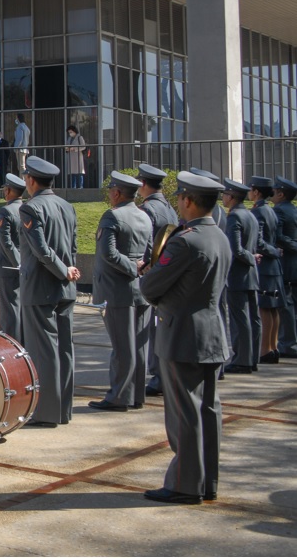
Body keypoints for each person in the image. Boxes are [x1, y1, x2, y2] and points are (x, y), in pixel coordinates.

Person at [139, 171, 229, 505]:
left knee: (184, 414)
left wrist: (150, 275)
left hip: (182, 333)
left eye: (180, 197)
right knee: (208, 410)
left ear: (188, 200)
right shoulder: (218, 235)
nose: (178, 202)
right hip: (210, 332)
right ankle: (206, 481)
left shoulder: (186, 240)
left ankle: (184, 484)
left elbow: (150, 287)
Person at [18, 156, 81, 428]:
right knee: (64, 350)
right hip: (65, 287)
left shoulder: (31, 208)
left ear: (31, 180)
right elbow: (73, 246)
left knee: (44, 351)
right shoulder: (67, 206)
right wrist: (69, 270)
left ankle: (46, 412)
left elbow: (41, 249)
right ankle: (63, 409)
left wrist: (62, 270)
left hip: (41, 287)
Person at [88, 172, 151, 412]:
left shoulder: (112, 216)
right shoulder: (144, 216)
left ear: (116, 193)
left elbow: (109, 253)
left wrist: (131, 268)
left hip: (118, 289)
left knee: (123, 347)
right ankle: (136, 395)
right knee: (138, 346)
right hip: (140, 289)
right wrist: (140, 268)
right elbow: (150, 252)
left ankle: (119, 396)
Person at [137, 163, 179, 397]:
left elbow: (147, 243)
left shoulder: (148, 209)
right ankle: (162, 373)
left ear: (143, 184)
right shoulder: (169, 208)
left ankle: (158, 375)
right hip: (167, 271)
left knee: (151, 328)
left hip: (153, 272)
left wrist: (144, 267)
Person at [219, 179, 260, 374]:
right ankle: (251, 358)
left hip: (238, 274)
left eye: (225, 195)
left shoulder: (235, 216)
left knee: (240, 319)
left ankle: (242, 360)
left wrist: (250, 257)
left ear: (232, 197)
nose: (223, 198)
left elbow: (235, 249)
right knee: (252, 318)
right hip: (251, 274)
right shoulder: (249, 215)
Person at [251, 176, 284, 364]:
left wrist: (273, 252)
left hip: (266, 265)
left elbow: (260, 242)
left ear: (256, 192)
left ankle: (265, 350)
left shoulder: (258, 212)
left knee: (265, 307)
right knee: (272, 309)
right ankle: (273, 347)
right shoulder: (270, 210)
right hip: (273, 266)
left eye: (251, 190)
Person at [0, 174, 27, 340]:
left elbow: (6, 242)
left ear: (8, 191)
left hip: (8, 267)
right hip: (25, 266)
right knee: (20, 307)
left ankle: (10, 343)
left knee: (9, 309)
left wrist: (18, 263)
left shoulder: (5, 211)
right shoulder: (27, 209)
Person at [275, 177, 297, 357]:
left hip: (288, 263)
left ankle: (288, 344)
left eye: (274, 192)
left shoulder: (280, 211)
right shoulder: (293, 210)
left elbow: (279, 237)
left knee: (287, 305)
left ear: (281, 194)